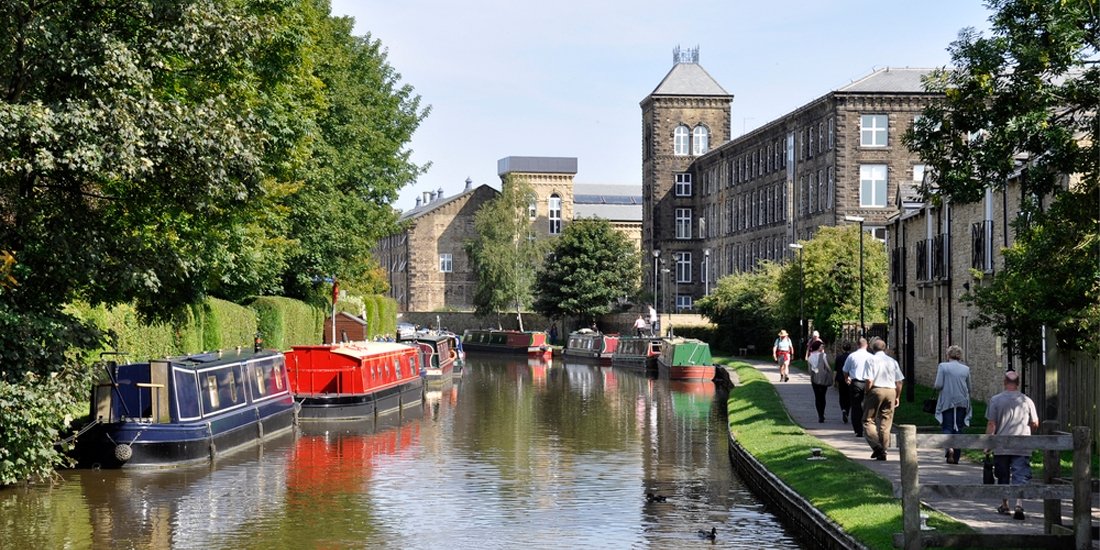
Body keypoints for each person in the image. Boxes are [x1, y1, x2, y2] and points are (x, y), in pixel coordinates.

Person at [986, 370, 1039, 520]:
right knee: (1020, 475)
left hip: (1001, 446)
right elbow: (1035, 422)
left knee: (1003, 475)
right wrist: (1029, 429)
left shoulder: (995, 400)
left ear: (1004, 382)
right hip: (1022, 445)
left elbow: (991, 423)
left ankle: (1005, 504)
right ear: (1018, 384)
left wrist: (988, 443)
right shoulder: (1027, 401)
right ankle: (1019, 504)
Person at [863, 338, 904, 461]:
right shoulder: (892, 361)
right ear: (885, 348)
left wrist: (867, 391)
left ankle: (877, 446)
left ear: (872, 348)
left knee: (868, 420)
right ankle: (884, 450)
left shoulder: (870, 359)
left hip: (876, 389)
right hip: (891, 390)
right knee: (886, 422)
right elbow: (899, 381)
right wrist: (897, 396)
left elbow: (869, 380)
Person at [934, 345, 972, 464]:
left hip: (947, 401)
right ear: (960, 356)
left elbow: (938, 385)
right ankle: (956, 456)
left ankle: (949, 448)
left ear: (948, 355)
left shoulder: (943, 366)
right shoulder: (966, 369)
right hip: (962, 401)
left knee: (947, 426)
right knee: (958, 427)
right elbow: (969, 388)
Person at [842, 338, 873, 437]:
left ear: (857, 345)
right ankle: (868, 428)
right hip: (869, 382)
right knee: (868, 406)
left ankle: (858, 430)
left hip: (856, 383)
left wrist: (847, 379)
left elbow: (845, 370)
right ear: (867, 345)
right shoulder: (871, 357)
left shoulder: (852, 356)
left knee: (856, 406)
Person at [807, 338, 832, 423]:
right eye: (822, 346)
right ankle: (822, 413)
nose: (823, 347)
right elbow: (827, 366)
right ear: (818, 347)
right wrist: (829, 372)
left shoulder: (810, 357)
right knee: (823, 396)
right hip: (823, 378)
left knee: (817, 397)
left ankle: (819, 415)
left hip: (814, 379)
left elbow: (809, 370)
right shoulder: (823, 355)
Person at [833, 341, 852, 424]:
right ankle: (847, 411)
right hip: (849, 379)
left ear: (842, 349)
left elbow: (835, 370)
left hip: (840, 379)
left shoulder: (839, 358)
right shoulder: (851, 358)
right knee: (848, 396)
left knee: (842, 395)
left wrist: (834, 380)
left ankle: (843, 409)